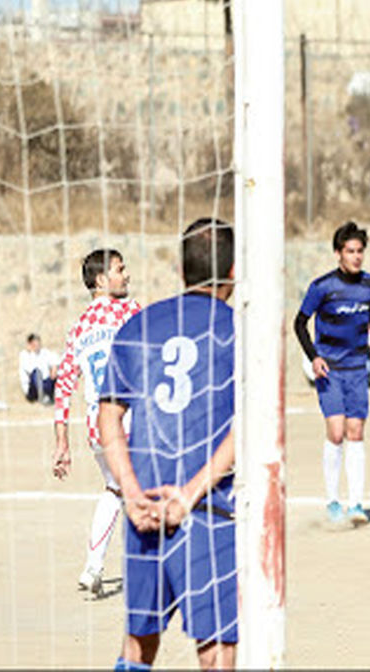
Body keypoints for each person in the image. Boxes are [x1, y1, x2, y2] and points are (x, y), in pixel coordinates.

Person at [98, 217, 238, 669]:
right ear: (233, 273)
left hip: (142, 511)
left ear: (182, 272)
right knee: (217, 650)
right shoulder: (240, 330)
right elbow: (247, 429)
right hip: (206, 510)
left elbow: (109, 417)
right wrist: (190, 494)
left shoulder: (137, 326)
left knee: (139, 642)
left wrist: (132, 494)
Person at [52, 248, 141, 596]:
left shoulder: (79, 328)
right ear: (102, 280)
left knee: (114, 490)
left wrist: (62, 442)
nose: (126, 275)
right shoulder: (130, 311)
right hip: (128, 416)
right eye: (120, 269)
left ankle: (93, 567)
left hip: (95, 424)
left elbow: (63, 387)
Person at [294, 221, 370, 525]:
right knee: (336, 432)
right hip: (329, 370)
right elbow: (299, 323)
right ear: (338, 253)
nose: (356, 256)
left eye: (360, 251)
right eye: (350, 251)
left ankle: (356, 504)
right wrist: (314, 357)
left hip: (357, 369)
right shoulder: (323, 287)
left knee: (356, 432)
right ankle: (332, 500)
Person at [18, 333, 58, 405]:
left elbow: (55, 359)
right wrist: (31, 352)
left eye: (38, 344)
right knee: (36, 373)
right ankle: (43, 396)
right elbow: (30, 370)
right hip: (32, 387)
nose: (37, 347)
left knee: (58, 373)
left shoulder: (44, 352)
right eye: (34, 345)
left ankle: (51, 395)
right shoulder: (24, 355)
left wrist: (54, 368)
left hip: (45, 383)